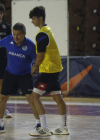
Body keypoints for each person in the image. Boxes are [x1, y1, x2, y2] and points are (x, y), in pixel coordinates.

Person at [0, 22, 41, 134]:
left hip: (25, 75)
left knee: (31, 100)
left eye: (19, 34)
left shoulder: (30, 46)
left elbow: (38, 60)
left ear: (24, 34)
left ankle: (39, 124)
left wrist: (35, 68)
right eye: (14, 34)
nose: (16, 37)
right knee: (2, 99)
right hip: (10, 74)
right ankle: (0, 125)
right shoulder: (8, 40)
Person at [29, 6, 69, 136]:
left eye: (34, 18)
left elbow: (40, 55)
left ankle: (44, 129)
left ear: (40, 18)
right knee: (57, 97)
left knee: (34, 97)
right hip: (55, 69)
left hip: (48, 71)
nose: (32, 21)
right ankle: (63, 128)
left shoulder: (42, 34)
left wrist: (34, 67)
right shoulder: (48, 30)